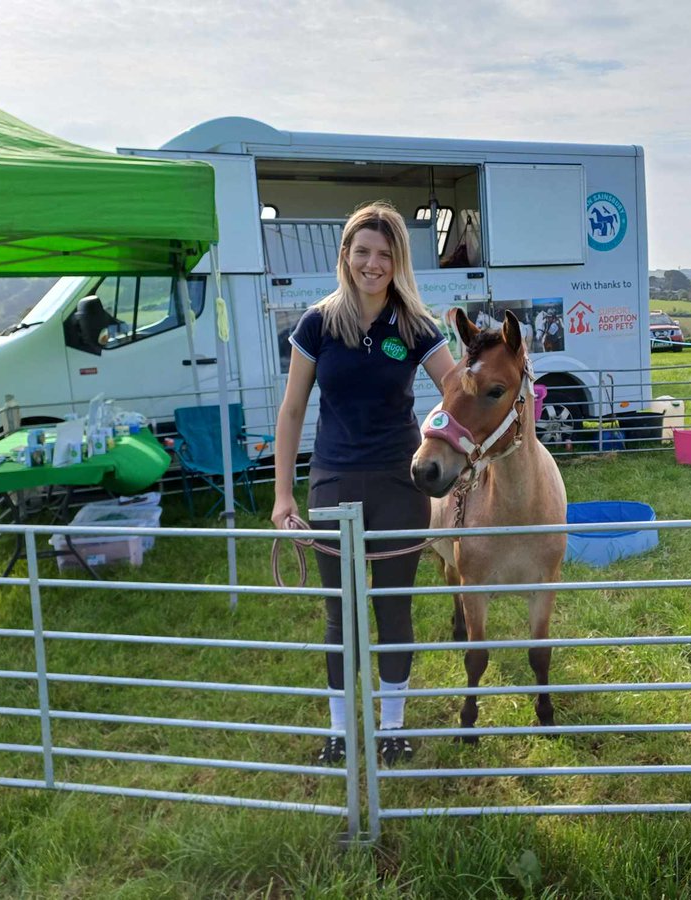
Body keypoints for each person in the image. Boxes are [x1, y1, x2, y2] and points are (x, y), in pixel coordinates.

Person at [272, 202, 457, 766]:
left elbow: (456, 394)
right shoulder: (317, 323)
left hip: (401, 486)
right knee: (340, 611)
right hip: (332, 481)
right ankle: (338, 730)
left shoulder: (416, 326)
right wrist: (283, 497)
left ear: (397, 260)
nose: (372, 264)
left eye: (384, 254)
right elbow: (292, 410)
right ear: (346, 256)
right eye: (363, 252)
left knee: (393, 606)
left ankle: (393, 726)